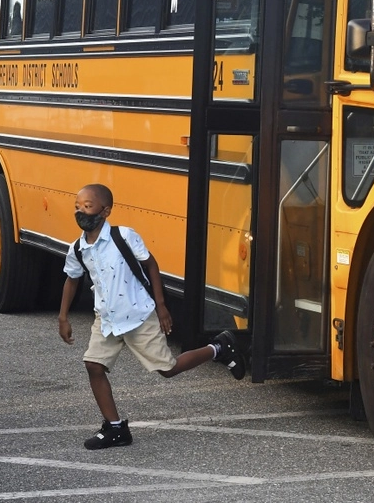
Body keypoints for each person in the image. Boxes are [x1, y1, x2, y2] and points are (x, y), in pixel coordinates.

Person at [58, 183, 246, 450]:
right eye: (77, 207)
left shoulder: (123, 236)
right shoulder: (78, 248)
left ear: (106, 211)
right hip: (107, 320)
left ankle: (219, 347)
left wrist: (161, 305)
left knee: (168, 369)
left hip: (138, 316)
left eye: (87, 207)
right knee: (93, 366)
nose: (81, 212)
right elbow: (71, 280)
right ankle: (114, 428)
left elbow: (151, 264)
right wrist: (63, 317)